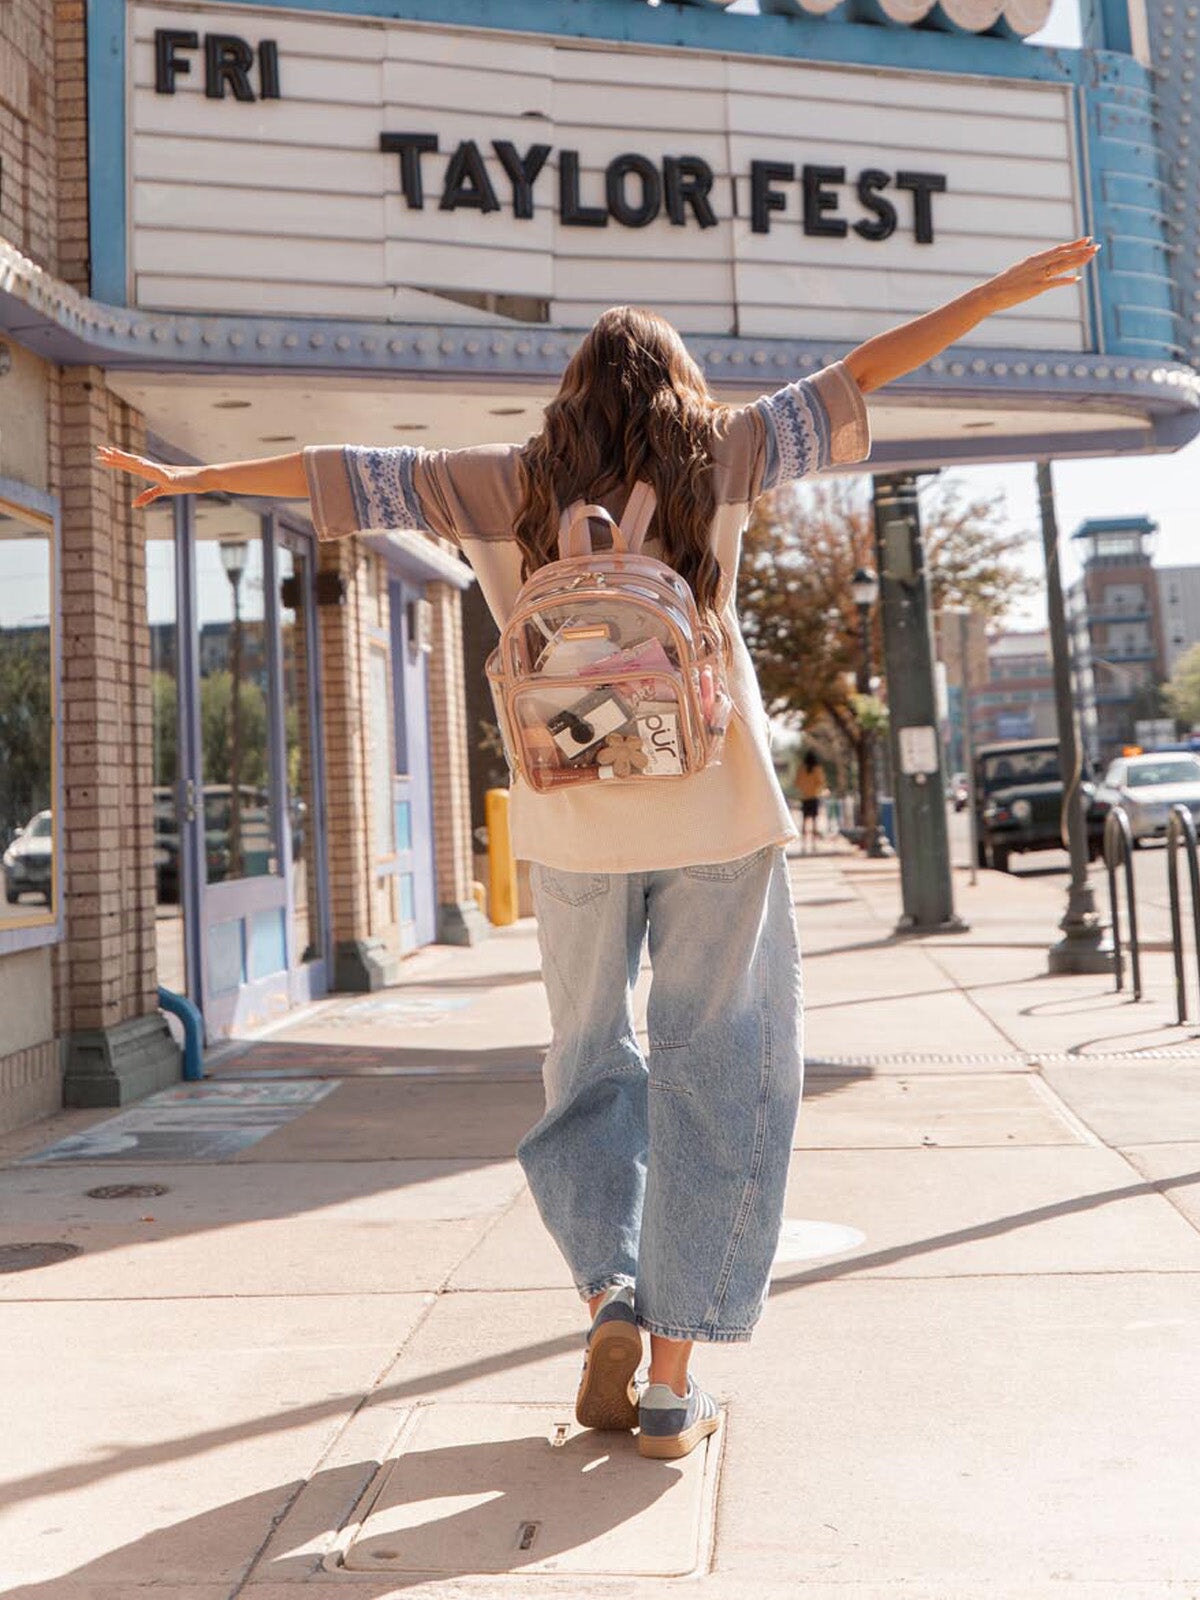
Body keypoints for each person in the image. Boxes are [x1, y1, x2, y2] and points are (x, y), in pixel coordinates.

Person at [100, 236, 1098, 1461]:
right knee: (720, 1074)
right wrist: (994, 294)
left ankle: (607, 1293)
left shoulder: (495, 483)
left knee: (585, 1063)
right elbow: (861, 373)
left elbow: (339, 474)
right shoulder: (721, 453)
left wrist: (190, 477)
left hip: (570, 819)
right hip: (716, 812)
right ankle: (671, 1385)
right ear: (678, 386)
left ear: (569, 396)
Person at [795, 749, 828, 855]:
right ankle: (814, 845)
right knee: (814, 822)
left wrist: (804, 788)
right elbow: (821, 782)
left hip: (805, 798)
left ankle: (803, 845)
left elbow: (796, 782)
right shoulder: (818, 769)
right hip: (814, 797)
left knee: (804, 822)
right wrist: (817, 790)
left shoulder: (801, 769)